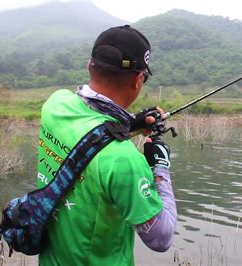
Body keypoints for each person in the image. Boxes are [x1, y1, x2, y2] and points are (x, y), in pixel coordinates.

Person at [36, 25, 177, 265]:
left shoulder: (56, 103)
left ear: (90, 66)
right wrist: (160, 168)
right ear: (138, 80)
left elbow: (86, 137)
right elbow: (160, 238)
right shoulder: (124, 160)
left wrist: (130, 123)